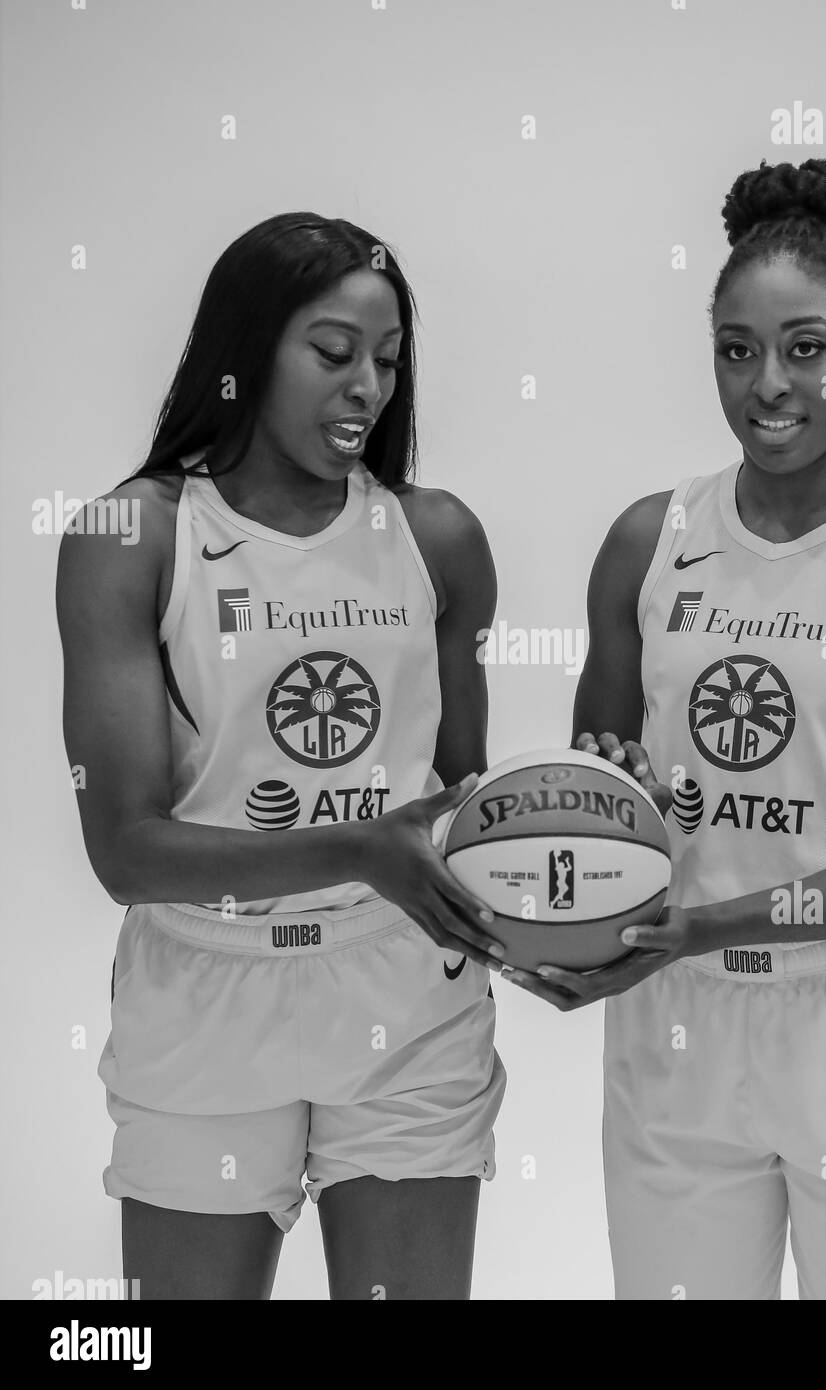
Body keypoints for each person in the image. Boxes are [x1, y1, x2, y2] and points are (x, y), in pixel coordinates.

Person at [508, 159, 826, 1300]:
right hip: (677, 1028)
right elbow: (596, 800)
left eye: (806, 347)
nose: (769, 384)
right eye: (737, 350)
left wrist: (706, 924)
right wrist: (580, 897)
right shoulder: (650, 538)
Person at [56, 213, 507, 1300]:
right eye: (334, 351)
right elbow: (127, 851)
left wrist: (569, 840)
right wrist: (360, 846)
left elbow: (455, 809)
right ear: (247, 348)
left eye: (388, 361)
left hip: (404, 992)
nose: (366, 387)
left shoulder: (434, 537)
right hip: (204, 992)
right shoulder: (135, 537)